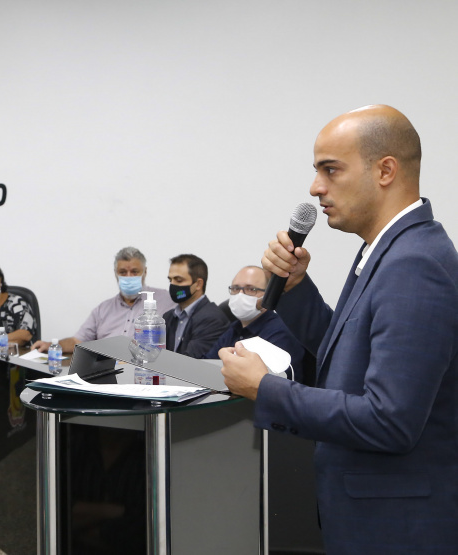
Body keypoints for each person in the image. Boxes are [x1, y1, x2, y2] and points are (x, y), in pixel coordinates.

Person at [220, 105, 458, 552]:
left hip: (397, 529)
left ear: (385, 170)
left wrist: (265, 389)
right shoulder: (388, 248)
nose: (315, 188)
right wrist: (294, 289)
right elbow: (348, 350)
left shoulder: (415, 264)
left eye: (331, 170)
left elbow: (389, 421)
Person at [32, 247, 174, 354]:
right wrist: (52, 345)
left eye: (135, 272)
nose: (129, 277)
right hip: (107, 373)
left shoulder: (166, 300)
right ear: (115, 274)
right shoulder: (103, 309)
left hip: (146, 372)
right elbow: (78, 340)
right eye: (123, 272)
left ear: (145, 272)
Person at [204, 265, 305, 381]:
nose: (240, 295)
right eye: (235, 288)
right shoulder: (234, 328)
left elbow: (264, 380)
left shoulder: (280, 331)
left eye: (251, 289)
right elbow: (206, 365)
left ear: (268, 296)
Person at [163, 254, 229, 358]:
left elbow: (191, 362)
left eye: (179, 280)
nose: (172, 285)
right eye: (170, 280)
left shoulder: (212, 319)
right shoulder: (168, 317)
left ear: (198, 284)